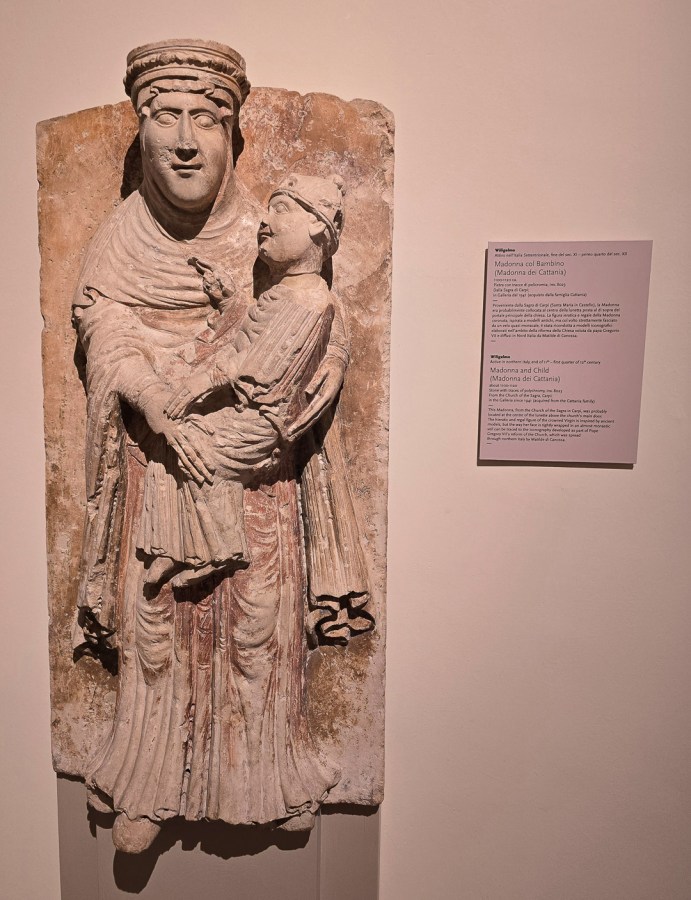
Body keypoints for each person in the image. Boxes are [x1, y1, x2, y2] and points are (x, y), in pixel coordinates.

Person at [72, 40, 371, 854]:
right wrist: (150, 394)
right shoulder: (119, 238)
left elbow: (303, 336)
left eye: (204, 119)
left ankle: (267, 776)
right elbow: (104, 327)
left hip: (254, 474)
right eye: (164, 116)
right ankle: (148, 783)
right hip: (161, 461)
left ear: (233, 134)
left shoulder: (271, 236)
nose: (183, 140)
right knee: (156, 627)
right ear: (139, 130)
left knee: (256, 625)